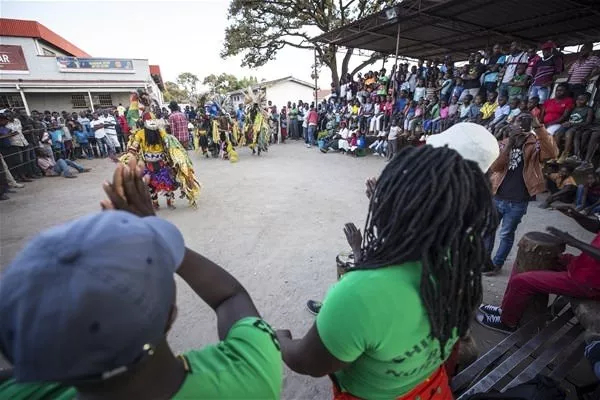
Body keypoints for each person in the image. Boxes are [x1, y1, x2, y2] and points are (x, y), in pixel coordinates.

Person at [0, 160, 283, 399]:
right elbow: (231, 296)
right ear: (170, 314)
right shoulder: (249, 376)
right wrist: (151, 229)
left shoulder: (24, 389)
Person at [277, 125, 499, 400]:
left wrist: (281, 340)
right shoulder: (463, 258)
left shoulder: (359, 294)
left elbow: (307, 362)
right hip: (430, 388)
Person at [478, 207, 600, 333]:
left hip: (588, 282)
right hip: (583, 264)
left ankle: (507, 323)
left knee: (521, 282)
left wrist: (574, 242)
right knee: (526, 259)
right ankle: (505, 310)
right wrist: (577, 216)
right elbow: (597, 226)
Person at [484, 116, 558, 275]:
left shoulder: (535, 143)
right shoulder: (504, 143)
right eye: (517, 122)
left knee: (506, 234)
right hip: (497, 196)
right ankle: (485, 262)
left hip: (518, 200)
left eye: (525, 123)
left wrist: (539, 128)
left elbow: (552, 153)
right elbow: (496, 167)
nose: (519, 126)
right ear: (512, 125)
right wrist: (510, 143)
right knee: (488, 231)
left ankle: (497, 264)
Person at [555, 93, 593, 162]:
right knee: (557, 133)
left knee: (569, 133)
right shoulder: (574, 108)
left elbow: (588, 122)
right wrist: (566, 122)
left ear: (587, 101)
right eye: (578, 99)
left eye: (582, 100)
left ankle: (565, 153)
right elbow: (567, 117)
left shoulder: (589, 110)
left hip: (577, 126)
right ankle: (555, 153)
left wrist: (572, 123)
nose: (578, 101)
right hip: (568, 124)